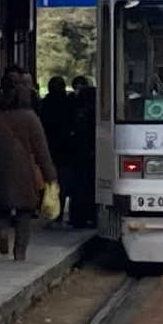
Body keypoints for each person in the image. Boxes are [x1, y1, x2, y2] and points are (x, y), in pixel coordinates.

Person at [0, 78, 56, 261]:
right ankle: (20, 251)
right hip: (26, 171)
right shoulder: (31, 118)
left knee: (3, 207)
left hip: (0, 169)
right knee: (25, 212)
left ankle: (2, 230)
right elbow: (42, 151)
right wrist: (50, 176)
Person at [40, 76, 76, 224]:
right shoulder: (69, 103)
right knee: (64, 181)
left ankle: (52, 211)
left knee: (50, 181)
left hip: (50, 148)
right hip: (66, 149)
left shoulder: (45, 104)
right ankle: (59, 212)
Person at [70, 76, 96, 228]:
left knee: (78, 187)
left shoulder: (76, 109)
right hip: (89, 155)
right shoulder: (92, 111)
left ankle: (78, 217)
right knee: (88, 187)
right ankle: (89, 216)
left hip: (79, 154)